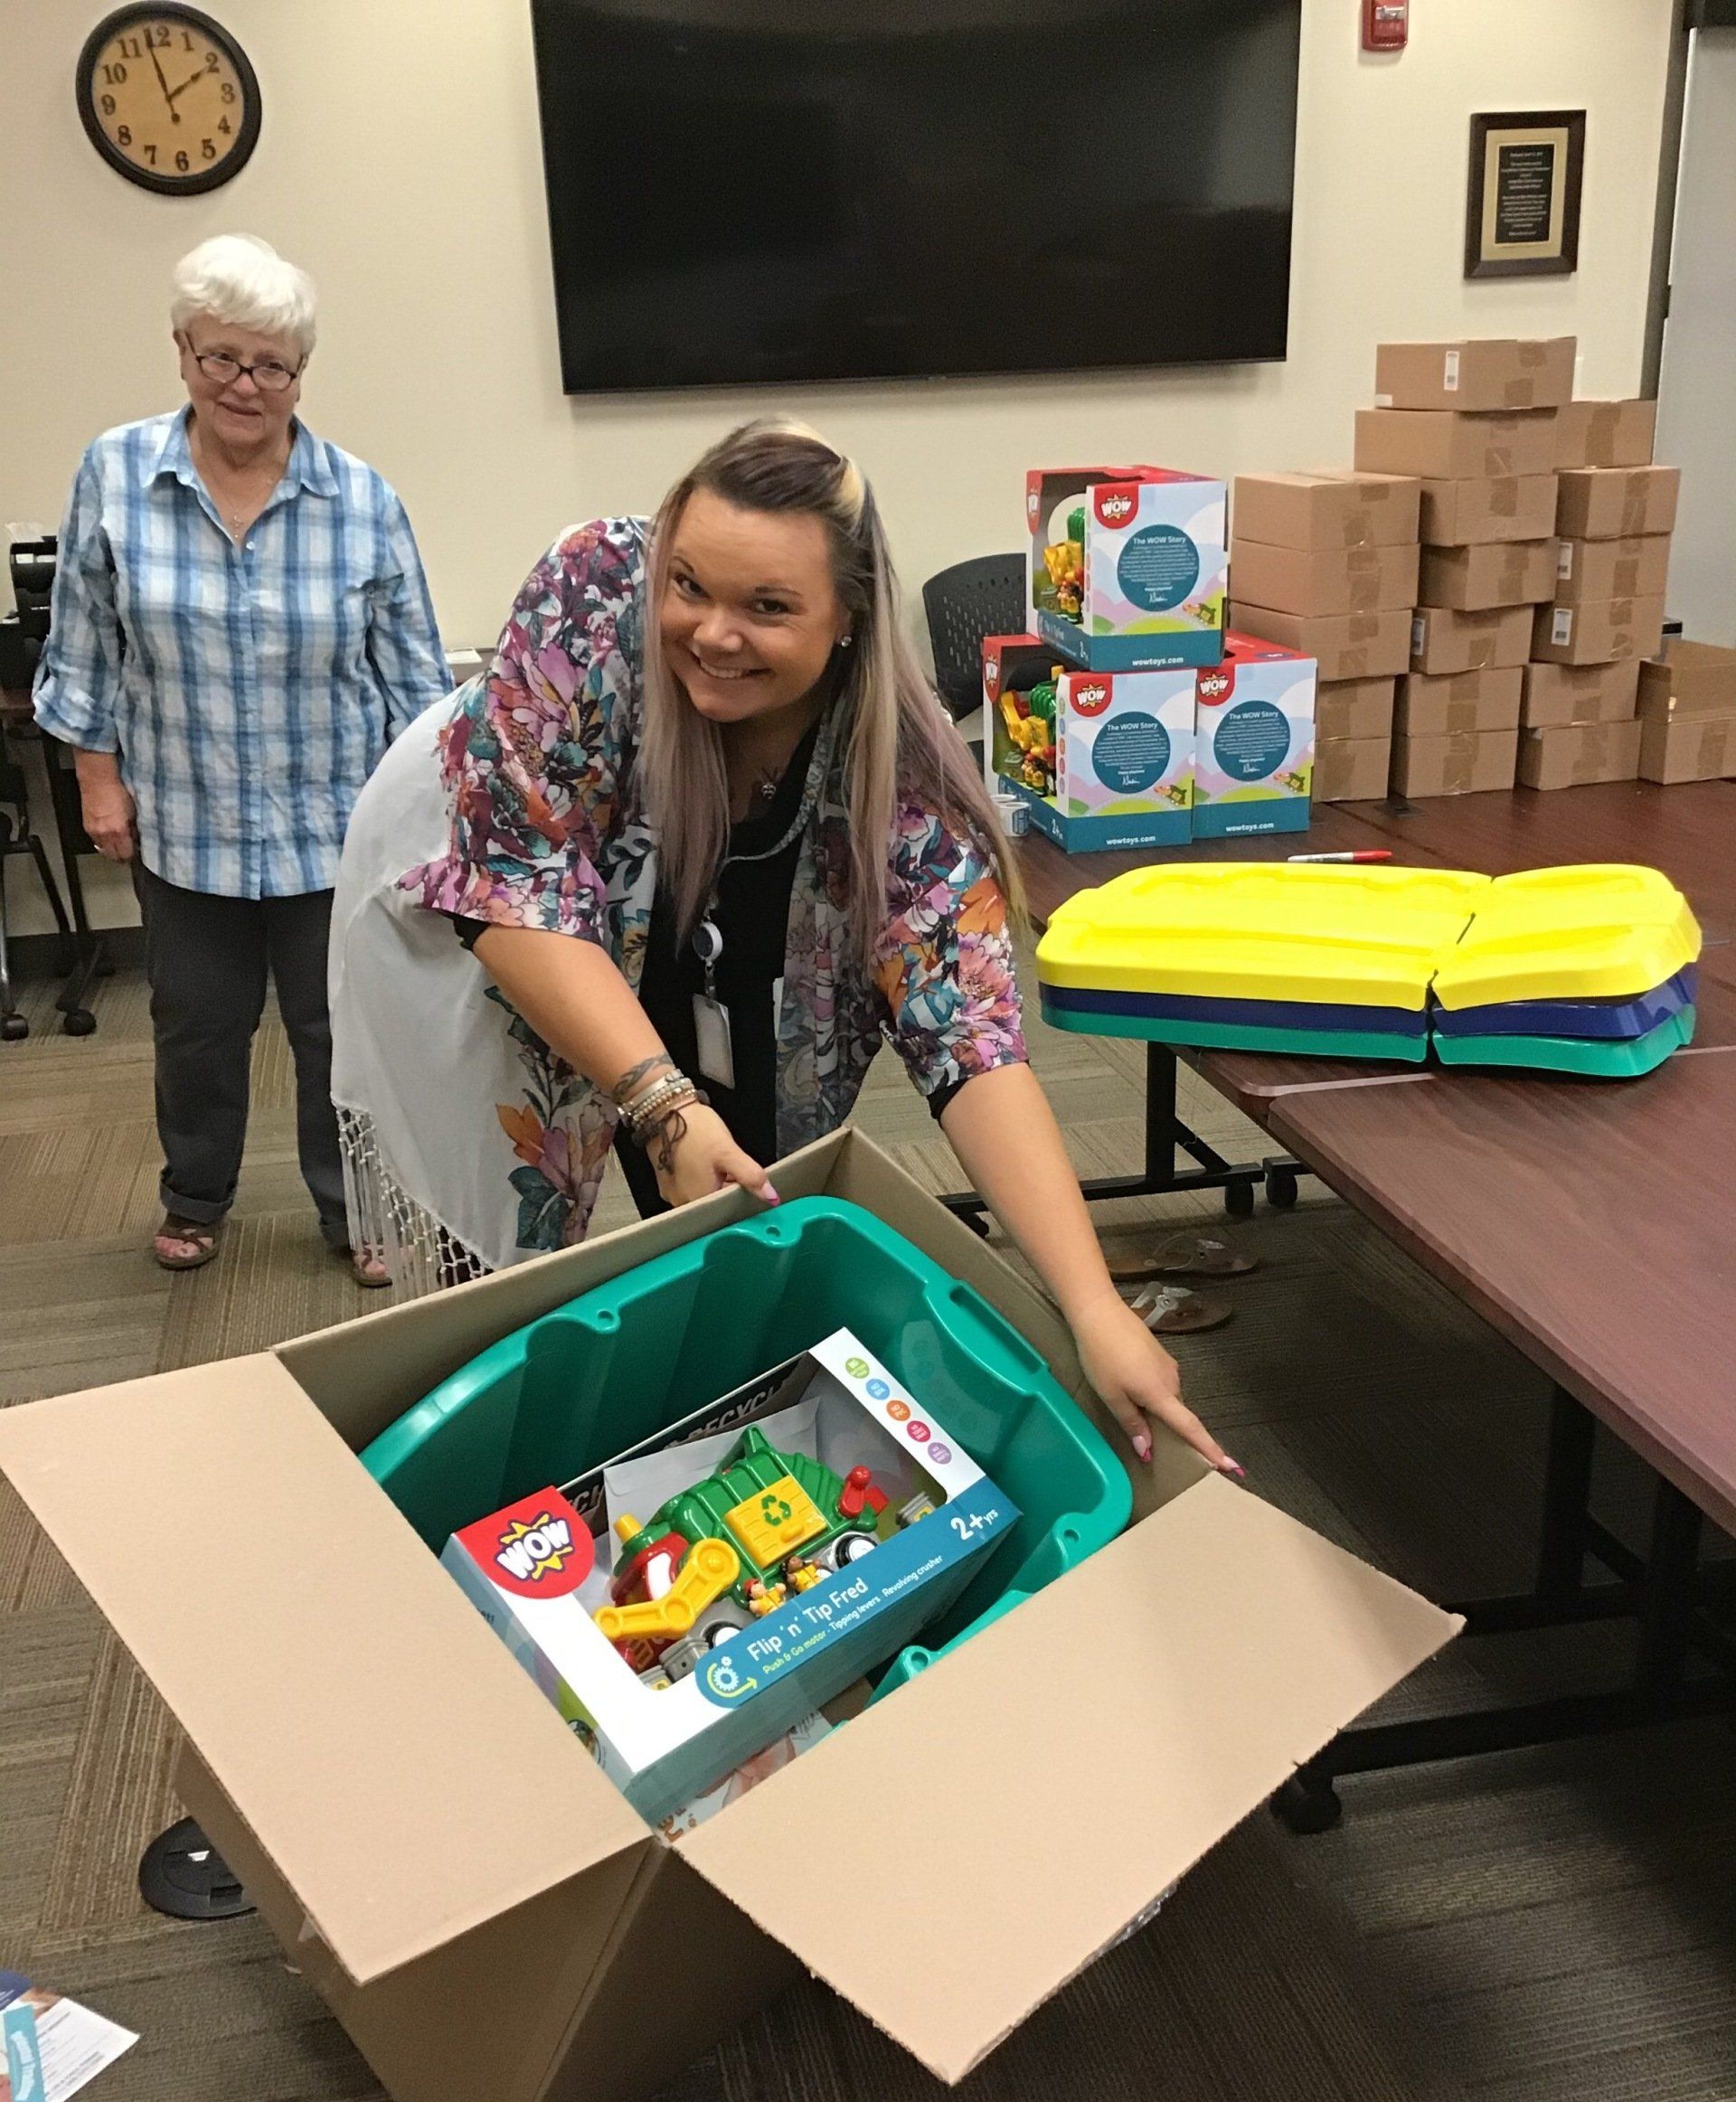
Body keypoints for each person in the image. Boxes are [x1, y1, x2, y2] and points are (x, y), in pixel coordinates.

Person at [331, 420, 1237, 1472]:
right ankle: (481, 1466)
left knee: (751, 1174)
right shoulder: (588, 591)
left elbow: (972, 1045)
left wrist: (1092, 1305)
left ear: (849, 619)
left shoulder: (907, 798)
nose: (714, 635)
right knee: (507, 1234)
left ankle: (701, 1438)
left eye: (768, 607)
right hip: (480, 887)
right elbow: (517, 892)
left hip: (728, 926)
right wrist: (665, 1107)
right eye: (689, 586)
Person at [32, 233, 449, 1281]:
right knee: (197, 1031)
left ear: (300, 374)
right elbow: (84, 639)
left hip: (335, 830)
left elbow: (413, 684)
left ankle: (354, 1209)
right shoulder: (117, 472)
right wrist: (96, 778)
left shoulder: (362, 499)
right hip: (186, 818)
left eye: (271, 365)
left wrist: (429, 831)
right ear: (183, 351)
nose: (244, 385)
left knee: (340, 1037)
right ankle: (196, 1197)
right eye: (222, 357)